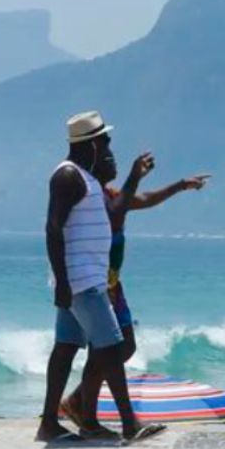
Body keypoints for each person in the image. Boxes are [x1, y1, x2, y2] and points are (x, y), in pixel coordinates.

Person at [60, 139, 210, 433]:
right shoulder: (95, 199)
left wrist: (180, 185)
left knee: (116, 348)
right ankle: (88, 413)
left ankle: (81, 406)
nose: (113, 161)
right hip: (96, 282)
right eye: (108, 157)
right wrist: (133, 176)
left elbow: (142, 199)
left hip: (113, 284)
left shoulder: (109, 193)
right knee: (113, 347)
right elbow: (117, 211)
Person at [36, 111, 162, 444]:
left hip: (83, 278)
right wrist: (62, 282)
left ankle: (49, 423)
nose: (107, 145)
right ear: (90, 144)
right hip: (81, 281)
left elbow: (115, 211)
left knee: (66, 348)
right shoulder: (67, 177)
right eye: (103, 140)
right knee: (112, 346)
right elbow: (52, 228)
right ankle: (129, 424)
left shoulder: (86, 180)